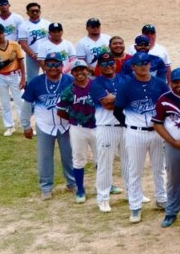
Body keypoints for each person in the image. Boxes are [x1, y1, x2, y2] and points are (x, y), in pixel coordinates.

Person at [113, 53, 170, 223]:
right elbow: (117, 110)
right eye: (139, 63)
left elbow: (168, 107)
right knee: (135, 170)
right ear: (133, 67)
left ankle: (162, 199)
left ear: (150, 65)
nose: (143, 66)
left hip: (157, 132)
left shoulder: (160, 84)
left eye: (146, 63)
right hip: (135, 133)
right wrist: (129, 125)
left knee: (159, 168)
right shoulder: (126, 86)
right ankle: (135, 205)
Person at [22, 57, 72, 200]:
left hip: (66, 125)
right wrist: (26, 124)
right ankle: (46, 187)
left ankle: (72, 183)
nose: (53, 67)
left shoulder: (70, 80)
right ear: (44, 66)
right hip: (44, 125)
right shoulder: (36, 82)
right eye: (49, 64)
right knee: (44, 157)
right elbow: (27, 104)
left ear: (61, 66)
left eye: (56, 64)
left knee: (69, 156)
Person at [153, 68, 180, 228]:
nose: (179, 85)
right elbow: (157, 124)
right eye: (175, 82)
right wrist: (172, 142)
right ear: (170, 82)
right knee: (173, 181)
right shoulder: (164, 99)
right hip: (173, 146)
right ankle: (171, 212)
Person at [56, 60, 97, 203]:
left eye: (82, 69)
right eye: (76, 70)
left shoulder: (96, 85)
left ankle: (106, 185)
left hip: (98, 127)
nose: (80, 72)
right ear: (72, 73)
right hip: (78, 128)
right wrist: (74, 118)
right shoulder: (68, 90)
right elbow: (60, 111)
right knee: (79, 159)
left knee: (102, 158)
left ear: (87, 70)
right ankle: (80, 189)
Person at [88, 55, 124, 211]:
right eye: (104, 64)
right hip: (106, 126)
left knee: (130, 162)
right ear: (99, 66)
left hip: (125, 125)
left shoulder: (124, 78)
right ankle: (103, 198)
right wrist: (123, 99)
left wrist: (114, 98)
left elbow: (128, 99)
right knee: (105, 164)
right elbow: (107, 105)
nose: (108, 66)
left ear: (115, 63)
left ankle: (133, 194)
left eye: (111, 62)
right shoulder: (96, 83)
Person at [0, 23, 25, 135]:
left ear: (4, 33)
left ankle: (25, 126)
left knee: (20, 101)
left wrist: (23, 78)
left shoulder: (14, 45)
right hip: (0, 76)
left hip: (14, 75)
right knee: (4, 102)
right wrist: (9, 60)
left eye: (1, 33)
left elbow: (21, 61)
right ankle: (9, 126)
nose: (0, 36)